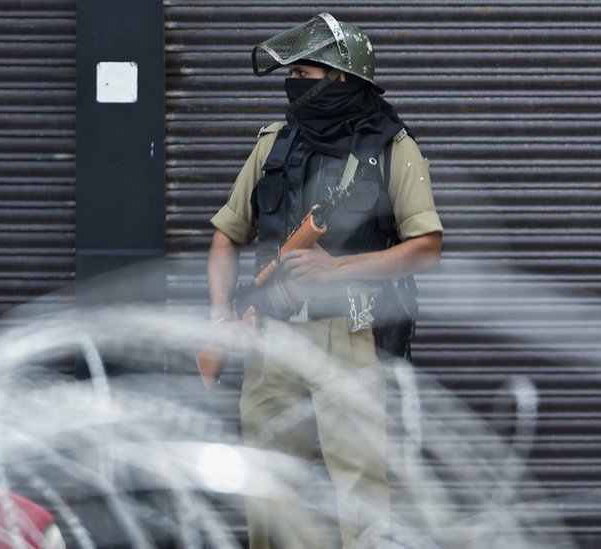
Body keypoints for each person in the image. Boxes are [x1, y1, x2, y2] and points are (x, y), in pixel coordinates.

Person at [205, 12, 442, 548]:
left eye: (306, 74)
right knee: (268, 481)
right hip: (271, 334)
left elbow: (426, 246)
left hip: (349, 334)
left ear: (343, 79)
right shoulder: (273, 144)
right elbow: (226, 235)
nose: (294, 84)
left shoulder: (391, 148)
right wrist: (221, 314)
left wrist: (338, 268)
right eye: (293, 75)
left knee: (359, 482)